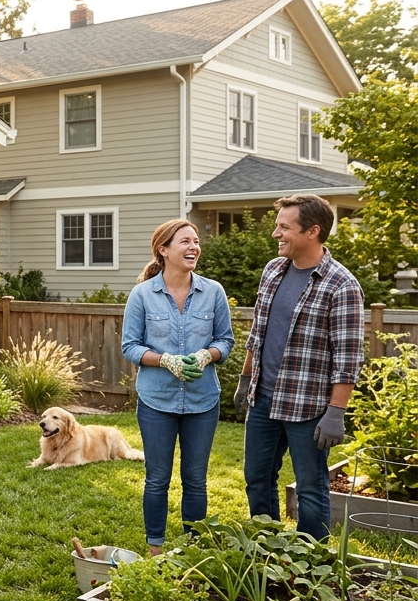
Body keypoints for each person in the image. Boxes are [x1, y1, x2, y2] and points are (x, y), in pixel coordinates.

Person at [235, 194, 364, 541]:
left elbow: (349, 356)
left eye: (283, 227)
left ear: (313, 231)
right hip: (263, 399)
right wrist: (245, 379)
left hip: (307, 406)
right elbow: (258, 333)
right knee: (258, 478)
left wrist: (336, 412)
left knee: (310, 487)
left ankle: (310, 561)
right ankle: (268, 551)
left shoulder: (341, 284)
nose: (276, 233)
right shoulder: (273, 270)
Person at [121, 219, 233, 556]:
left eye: (196, 241)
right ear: (164, 250)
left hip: (202, 402)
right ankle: (155, 550)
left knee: (195, 480)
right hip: (157, 401)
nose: (193, 247)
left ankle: (192, 550)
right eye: (185, 241)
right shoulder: (142, 295)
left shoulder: (213, 292)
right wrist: (165, 360)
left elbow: (225, 341)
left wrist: (205, 356)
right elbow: (130, 346)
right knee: (157, 479)